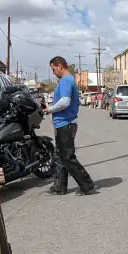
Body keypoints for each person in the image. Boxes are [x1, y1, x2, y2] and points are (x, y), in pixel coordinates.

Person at [46, 57, 97, 196]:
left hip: (65, 124)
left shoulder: (66, 81)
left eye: (54, 69)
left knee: (67, 157)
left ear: (60, 66)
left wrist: (49, 109)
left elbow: (64, 102)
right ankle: (59, 187)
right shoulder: (66, 81)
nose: (54, 72)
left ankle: (87, 185)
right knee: (59, 156)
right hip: (63, 124)